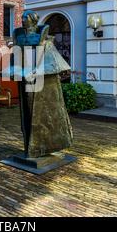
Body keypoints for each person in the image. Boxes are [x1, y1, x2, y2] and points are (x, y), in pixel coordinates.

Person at [13, 10, 73, 158]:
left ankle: (42, 146)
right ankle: (31, 146)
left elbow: (53, 63)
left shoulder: (45, 40)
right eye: (22, 17)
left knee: (40, 112)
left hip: (40, 82)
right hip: (25, 79)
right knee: (27, 111)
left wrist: (36, 72)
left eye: (26, 18)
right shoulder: (19, 37)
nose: (22, 20)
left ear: (33, 20)